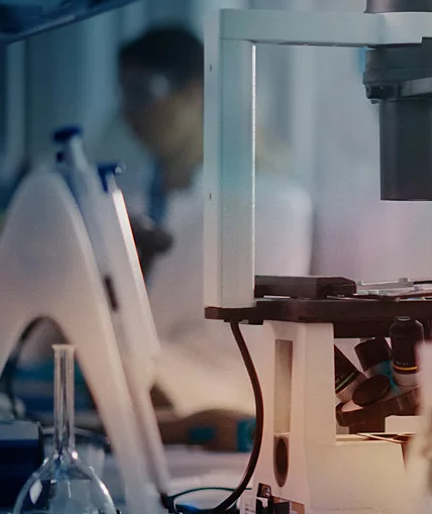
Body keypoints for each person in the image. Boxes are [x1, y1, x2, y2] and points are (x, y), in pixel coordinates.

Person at [91, 26, 313, 419]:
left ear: (194, 93)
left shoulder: (271, 205)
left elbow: (238, 347)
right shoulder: (136, 195)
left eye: (143, 92)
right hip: (139, 385)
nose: (129, 113)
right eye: (124, 94)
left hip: (216, 400)